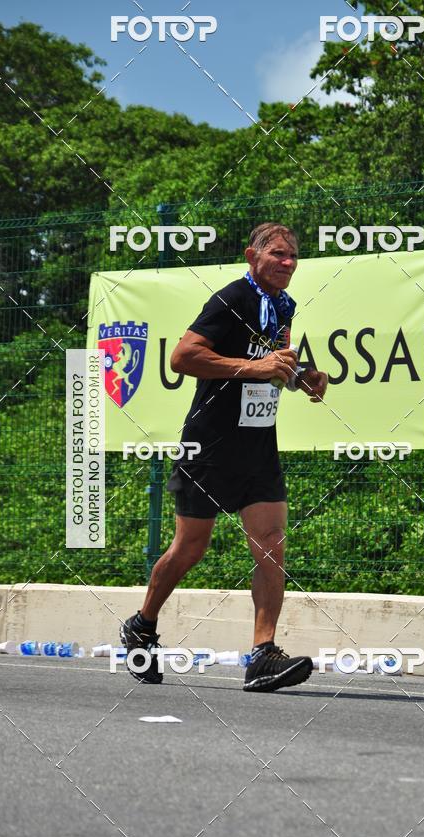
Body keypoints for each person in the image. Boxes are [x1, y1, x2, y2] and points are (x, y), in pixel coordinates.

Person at [120, 222, 328, 691]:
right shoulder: (231, 299)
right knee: (190, 548)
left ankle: (263, 655)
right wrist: (254, 367)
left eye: (293, 256)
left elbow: (274, 363)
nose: (288, 262)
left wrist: (302, 377)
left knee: (271, 543)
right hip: (209, 444)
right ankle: (142, 625)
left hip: (257, 445)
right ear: (252, 256)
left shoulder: (283, 305)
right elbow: (183, 357)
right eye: (277, 254)